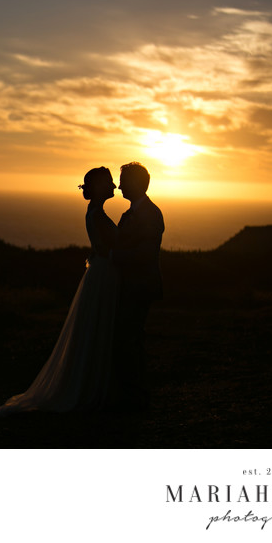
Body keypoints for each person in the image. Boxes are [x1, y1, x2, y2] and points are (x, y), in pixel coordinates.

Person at [0, 167, 119, 417]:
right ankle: (90, 389)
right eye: (109, 182)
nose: (114, 186)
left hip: (101, 273)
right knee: (96, 329)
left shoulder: (95, 212)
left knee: (94, 330)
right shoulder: (96, 215)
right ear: (98, 187)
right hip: (104, 274)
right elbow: (107, 249)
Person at [110, 162, 164, 411]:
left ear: (135, 183)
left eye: (123, 180)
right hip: (129, 285)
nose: (119, 186)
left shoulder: (151, 214)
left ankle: (136, 396)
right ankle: (132, 392)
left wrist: (114, 258)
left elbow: (145, 253)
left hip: (139, 286)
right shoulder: (130, 214)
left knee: (129, 339)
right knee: (128, 338)